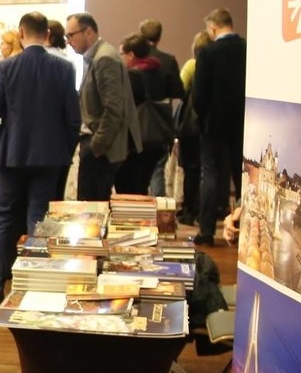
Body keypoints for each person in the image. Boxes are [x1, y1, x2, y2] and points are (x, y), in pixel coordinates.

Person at [0, 13, 82, 302]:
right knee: (39, 219)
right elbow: (73, 119)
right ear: (47, 34)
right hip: (49, 156)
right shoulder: (64, 68)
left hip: (11, 154)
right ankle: (34, 285)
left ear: (21, 33)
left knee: (2, 218)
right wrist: (64, 151)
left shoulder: (6, 67)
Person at [66, 13, 140, 201]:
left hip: (101, 149)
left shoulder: (104, 58)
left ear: (88, 32)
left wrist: (97, 146)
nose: (68, 41)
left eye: (71, 35)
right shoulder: (97, 56)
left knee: (91, 207)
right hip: (98, 145)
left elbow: (114, 108)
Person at [193, 8, 247, 244]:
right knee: (242, 177)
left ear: (213, 28)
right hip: (242, 123)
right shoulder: (247, 49)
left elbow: (199, 95)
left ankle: (206, 232)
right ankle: (243, 227)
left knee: (210, 176)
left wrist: (203, 115)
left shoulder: (207, 52)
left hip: (213, 125)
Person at [118, 33, 185, 196]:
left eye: (121, 54)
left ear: (131, 54)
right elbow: (177, 91)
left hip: (137, 139)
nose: (120, 58)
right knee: (147, 181)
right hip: (158, 135)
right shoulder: (159, 70)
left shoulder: (132, 75)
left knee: (130, 187)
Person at [175, 30, 212, 226]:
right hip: (210, 125)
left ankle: (188, 210)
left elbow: (180, 89)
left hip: (191, 126)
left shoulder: (192, 65)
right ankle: (203, 212)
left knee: (191, 170)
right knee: (208, 171)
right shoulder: (217, 68)